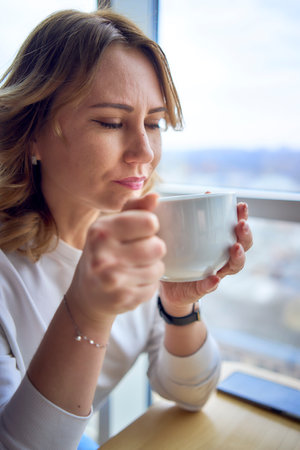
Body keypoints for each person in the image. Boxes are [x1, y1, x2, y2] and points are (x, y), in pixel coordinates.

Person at [0, 8, 253, 450]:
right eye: (112, 122)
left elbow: (190, 392)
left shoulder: (143, 241)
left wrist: (179, 307)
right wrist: (88, 311)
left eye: (154, 123)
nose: (144, 152)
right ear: (33, 134)